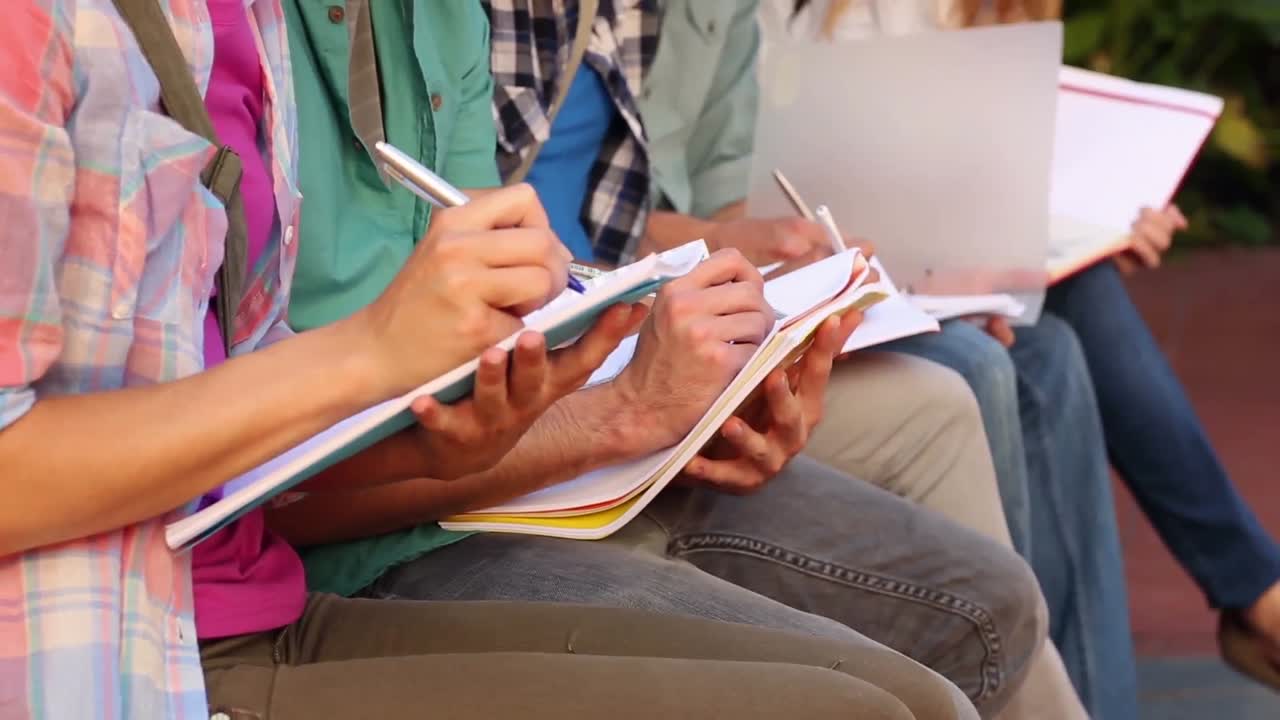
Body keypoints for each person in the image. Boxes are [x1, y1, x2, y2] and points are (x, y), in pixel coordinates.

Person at [0, 1, 988, 718]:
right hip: (127, 648)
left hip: (253, 588)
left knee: (918, 685)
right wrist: (410, 368)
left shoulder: (238, 28)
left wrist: (538, 403)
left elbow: (270, 452)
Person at [273, 0, 1048, 716]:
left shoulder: (449, 19)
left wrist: (714, 387)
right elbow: (284, 488)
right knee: (904, 689)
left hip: (541, 453)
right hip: (387, 542)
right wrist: (627, 412)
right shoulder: (241, 38)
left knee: (993, 603)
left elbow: (511, 316)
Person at [641, 1, 1137, 717]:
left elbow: (724, 189)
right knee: (976, 370)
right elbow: (618, 221)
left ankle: (1101, 694)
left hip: (821, 266)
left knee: (1050, 351)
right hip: (727, 284)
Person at [784, 0, 1280, 695]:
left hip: (950, 266)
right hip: (846, 262)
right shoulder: (831, 15)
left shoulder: (1000, 12)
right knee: (1035, 350)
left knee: (1060, 335)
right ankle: (1254, 593)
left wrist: (1112, 222)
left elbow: (1001, 173)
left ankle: (1236, 602)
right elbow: (807, 172)